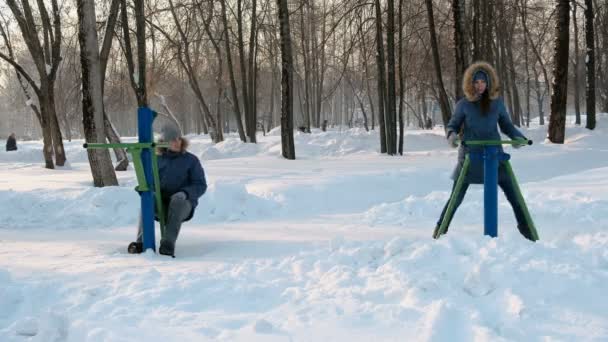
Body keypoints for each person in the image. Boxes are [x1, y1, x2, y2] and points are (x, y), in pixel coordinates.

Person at [433, 61, 535, 241]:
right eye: (476, 82)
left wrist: (518, 138)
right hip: (470, 159)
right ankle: (440, 230)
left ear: (489, 83)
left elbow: (507, 126)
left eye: (483, 82)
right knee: (455, 198)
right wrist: (452, 137)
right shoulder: (463, 105)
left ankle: (528, 233)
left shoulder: (497, 104)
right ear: (470, 84)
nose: (480, 85)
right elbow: (453, 125)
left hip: (495, 157)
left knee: (515, 196)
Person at [128, 123, 207, 256]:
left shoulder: (191, 160)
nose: (176, 142)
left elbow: (200, 184)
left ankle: (167, 244)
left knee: (177, 200)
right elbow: (150, 182)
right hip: (161, 203)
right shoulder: (156, 160)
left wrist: (185, 193)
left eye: (178, 139)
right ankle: (141, 243)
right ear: (163, 142)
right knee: (148, 199)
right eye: (172, 140)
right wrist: (145, 190)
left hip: (183, 203)